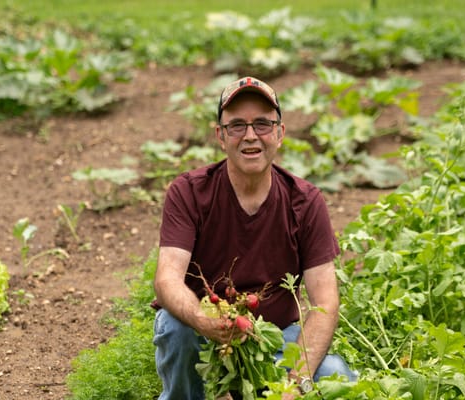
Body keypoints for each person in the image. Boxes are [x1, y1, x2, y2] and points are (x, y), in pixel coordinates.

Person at [152, 76, 356, 399]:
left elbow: (325, 303)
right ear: (220, 136)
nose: (250, 136)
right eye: (237, 126)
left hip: (274, 339)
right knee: (177, 329)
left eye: (262, 124)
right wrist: (202, 319)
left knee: (337, 375)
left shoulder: (305, 202)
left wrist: (295, 384)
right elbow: (166, 280)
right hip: (204, 338)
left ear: (280, 133)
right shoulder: (189, 192)